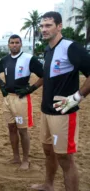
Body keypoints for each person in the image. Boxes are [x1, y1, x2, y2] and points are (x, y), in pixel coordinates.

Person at [31, 12, 90, 191]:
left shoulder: (71, 47)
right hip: (46, 111)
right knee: (48, 151)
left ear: (59, 26)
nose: (44, 29)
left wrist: (77, 97)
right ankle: (48, 185)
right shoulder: (49, 49)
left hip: (64, 112)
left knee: (65, 158)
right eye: (42, 26)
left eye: (48, 25)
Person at [0, 34, 44, 170]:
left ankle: (26, 159)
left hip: (21, 99)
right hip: (7, 98)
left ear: (21, 44)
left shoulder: (29, 59)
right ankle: (16, 157)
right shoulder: (5, 60)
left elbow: (44, 76)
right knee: (11, 128)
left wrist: (31, 88)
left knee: (23, 131)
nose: (14, 45)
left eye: (16, 42)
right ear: (8, 45)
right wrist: (0, 83)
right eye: (11, 43)